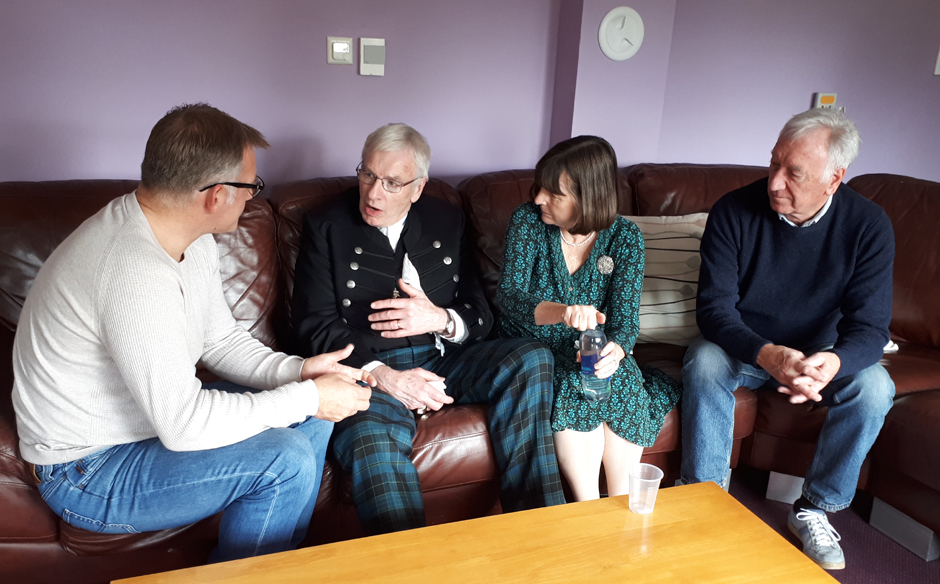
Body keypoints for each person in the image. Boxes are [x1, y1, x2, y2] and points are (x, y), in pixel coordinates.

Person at [11, 104, 374, 563]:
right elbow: (182, 425)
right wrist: (307, 396)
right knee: (286, 456)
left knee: (309, 407)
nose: (253, 198)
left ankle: (276, 561)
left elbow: (219, 339)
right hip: (87, 470)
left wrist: (300, 371)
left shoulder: (189, 237)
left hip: (145, 428)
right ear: (217, 195)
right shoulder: (131, 269)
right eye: (251, 187)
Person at [291, 122, 566, 535]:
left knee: (530, 358)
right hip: (368, 372)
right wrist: (384, 376)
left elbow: (480, 312)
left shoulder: (446, 219)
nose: (373, 192)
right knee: (371, 440)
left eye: (391, 182)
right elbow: (312, 326)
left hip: (444, 358)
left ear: (418, 188)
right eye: (366, 173)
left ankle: (539, 535)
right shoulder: (326, 224)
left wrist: (439, 318)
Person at [680, 108, 895, 571]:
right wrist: (768, 353)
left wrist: (831, 364)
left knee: (875, 388)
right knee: (704, 360)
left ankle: (815, 508)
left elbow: (871, 330)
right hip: (744, 346)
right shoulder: (733, 210)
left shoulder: (869, 226)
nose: (775, 181)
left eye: (793, 173)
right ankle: (705, 498)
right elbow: (714, 311)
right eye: (774, 163)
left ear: (834, 180)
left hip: (820, 355)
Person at [497, 136, 682, 501]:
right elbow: (510, 297)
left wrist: (617, 350)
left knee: (620, 375)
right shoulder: (527, 222)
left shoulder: (625, 238)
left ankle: (622, 509)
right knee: (572, 379)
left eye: (554, 193)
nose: (539, 199)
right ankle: (587, 509)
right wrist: (562, 313)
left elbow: (625, 322)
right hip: (533, 342)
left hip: (590, 346)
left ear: (589, 197)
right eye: (540, 188)